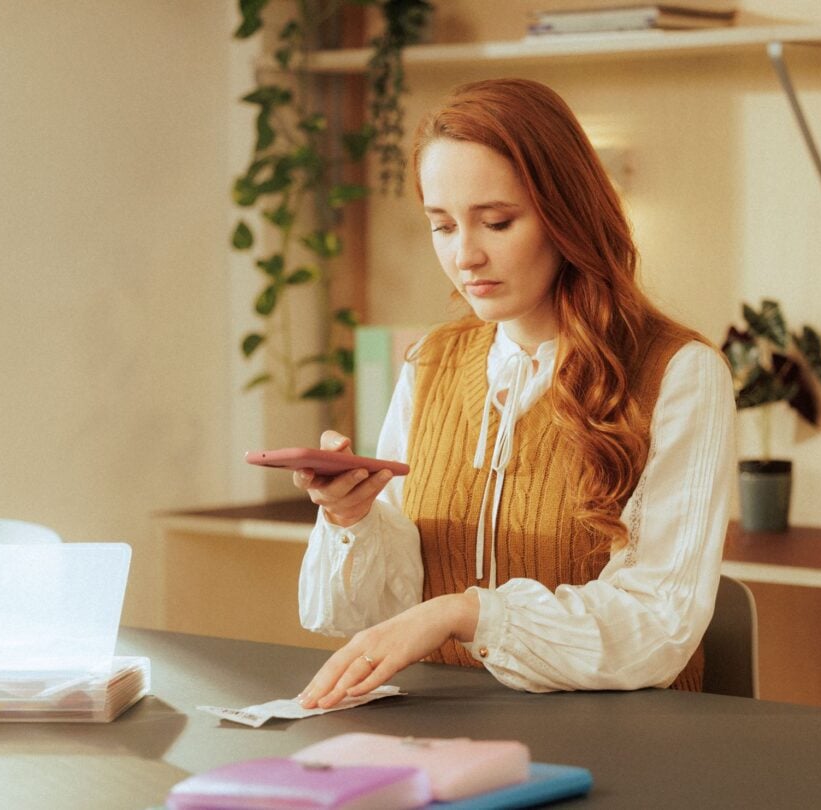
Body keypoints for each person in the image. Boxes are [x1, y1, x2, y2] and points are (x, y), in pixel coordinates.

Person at [293, 78, 737, 709]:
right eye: (442, 226)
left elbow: (659, 627)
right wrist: (351, 515)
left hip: (625, 742)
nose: (465, 255)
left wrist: (467, 614)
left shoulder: (681, 374)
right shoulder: (431, 362)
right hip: (444, 724)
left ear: (566, 214)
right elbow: (373, 614)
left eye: (496, 222)